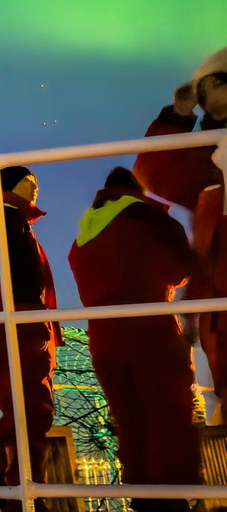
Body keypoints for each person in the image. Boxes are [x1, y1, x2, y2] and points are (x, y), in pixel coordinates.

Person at [68, 167, 200, 512]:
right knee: (168, 417)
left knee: (129, 422)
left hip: (104, 337)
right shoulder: (148, 219)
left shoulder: (85, 231)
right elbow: (179, 270)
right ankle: (174, 502)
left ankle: (142, 500)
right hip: (150, 329)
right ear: (135, 190)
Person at [133, 46, 227, 424]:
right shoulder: (204, 156)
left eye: (213, 83)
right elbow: (153, 171)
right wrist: (178, 115)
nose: (203, 95)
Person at [0, 166, 61, 512]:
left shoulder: (2, 218)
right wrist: (33, 307)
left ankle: (23, 492)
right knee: (28, 411)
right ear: (9, 186)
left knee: (24, 409)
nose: (35, 188)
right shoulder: (6, 218)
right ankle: (24, 495)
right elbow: (20, 275)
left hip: (14, 320)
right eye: (28, 182)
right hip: (19, 321)